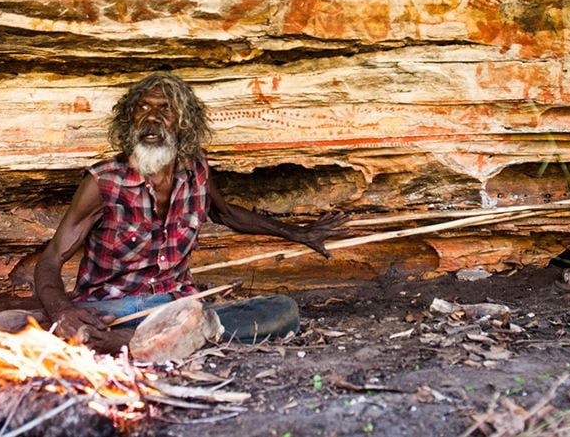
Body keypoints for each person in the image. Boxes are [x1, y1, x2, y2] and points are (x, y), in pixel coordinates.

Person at [31, 72, 349, 352]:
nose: (152, 117)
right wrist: (63, 312)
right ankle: (149, 339)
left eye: (165, 109)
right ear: (129, 120)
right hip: (112, 308)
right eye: (143, 108)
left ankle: (133, 342)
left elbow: (225, 214)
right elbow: (51, 259)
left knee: (282, 310)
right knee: (34, 326)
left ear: (183, 122)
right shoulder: (103, 181)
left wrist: (299, 233)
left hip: (177, 306)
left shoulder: (196, 169)